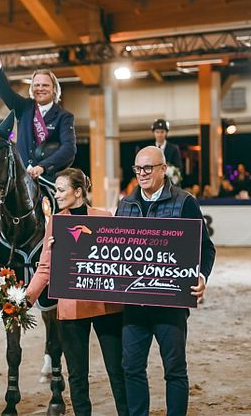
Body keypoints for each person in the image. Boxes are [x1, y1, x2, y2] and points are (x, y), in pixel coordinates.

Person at [115, 146, 216, 416]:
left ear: (163, 169)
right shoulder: (125, 204)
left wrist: (201, 275)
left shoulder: (185, 202)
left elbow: (206, 248)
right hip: (134, 304)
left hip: (171, 303)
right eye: (138, 169)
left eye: (148, 168)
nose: (143, 174)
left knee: (174, 369)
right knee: (131, 367)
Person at [26, 168, 129, 416]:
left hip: (107, 306)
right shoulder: (56, 223)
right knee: (77, 376)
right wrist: (25, 299)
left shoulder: (105, 217)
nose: (57, 195)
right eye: (56, 190)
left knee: (118, 371)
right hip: (71, 308)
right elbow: (44, 268)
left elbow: (122, 260)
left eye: (61, 190)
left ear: (79, 191)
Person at [0, 47, 76, 182]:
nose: (40, 88)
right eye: (36, 85)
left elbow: (68, 149)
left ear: (54, 89)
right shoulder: (23, 108)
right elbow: (4, 91)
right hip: (21, 175)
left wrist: (42, 167)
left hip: (48, 177)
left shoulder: (64, 117)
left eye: (45, 85)